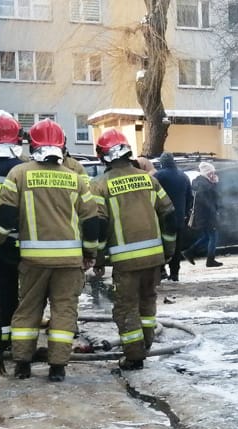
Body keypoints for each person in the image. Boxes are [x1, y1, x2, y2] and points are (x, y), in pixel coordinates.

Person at [0, 119, 99, 381]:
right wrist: (90, 253)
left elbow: (4, 219)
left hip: (33, 261)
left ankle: (23, 364)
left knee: (28, 310)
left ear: (31, 144)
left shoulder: (19, 174)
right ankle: (57, 368)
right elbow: (92, 221)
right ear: (62, 145)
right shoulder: (75, 179)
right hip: (70, 262)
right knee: (63, 311)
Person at [92, 129, 176, 371]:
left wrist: (97, 258)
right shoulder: (149, 179)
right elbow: (169, 216)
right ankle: (145, 345)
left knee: (126, 308)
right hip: (154, 258)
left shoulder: (100, 186)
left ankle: (134, 356)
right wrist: (168, 250)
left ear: (103, 156)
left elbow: (98, 225)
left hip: (125, 262)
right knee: (147, 304)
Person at [0, 111, 25, 361]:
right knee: (24, 290)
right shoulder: (21, 166)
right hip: (19, 238)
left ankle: (3, 333)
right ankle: (19, 338)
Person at [152, 152, 192, 281]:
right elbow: (189, 198)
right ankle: (174, 273)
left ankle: (162, 270)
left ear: (162, 162)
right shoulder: (184, 176)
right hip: (179, 218)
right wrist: (185, 213)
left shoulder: (157, 176)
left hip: (162, 218)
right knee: (177, 246)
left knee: (161, 245)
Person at [183, 161, 222, 267]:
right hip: (207, 215)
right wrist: (214, 185)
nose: (213, 175)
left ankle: (189, 252)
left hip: (203, 215)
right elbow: (208, 201)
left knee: (206, 237)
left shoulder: (201, 182)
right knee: (213, 237)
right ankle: (210, 260)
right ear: (206, 173)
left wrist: (213, 183)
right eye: (211, 173)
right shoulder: (205, 184)